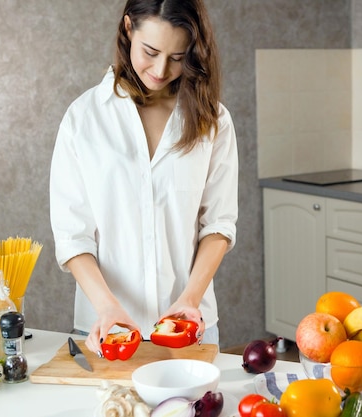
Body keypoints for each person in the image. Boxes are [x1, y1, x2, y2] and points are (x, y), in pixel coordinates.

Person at [49, 0, 238, 355]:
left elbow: (219, 224)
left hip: (189, 327)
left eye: (178, 57)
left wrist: (189, 298)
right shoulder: (84, 119)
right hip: (107, 328)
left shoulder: (213, 120)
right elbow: (72, 236)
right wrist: (107, 307)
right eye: (150, 51)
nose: (161, 69)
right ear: (127, 28)